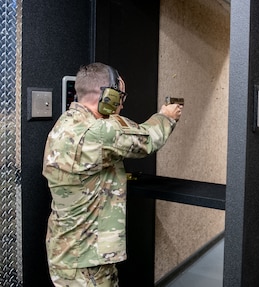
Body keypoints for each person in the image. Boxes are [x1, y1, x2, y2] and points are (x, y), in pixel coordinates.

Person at [42, 62, 183, 286]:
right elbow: (148, 138)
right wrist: (167, 116)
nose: (122, 104)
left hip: (68, 251)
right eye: (120, 96)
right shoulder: (99, 132)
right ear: (107, 95)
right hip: (87, 261)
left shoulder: (65, 123)